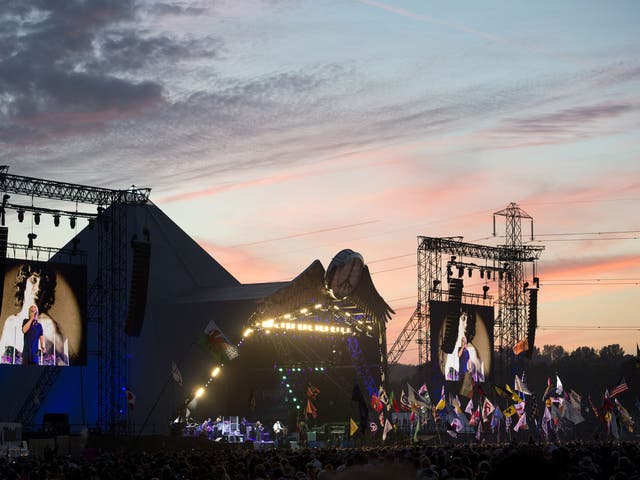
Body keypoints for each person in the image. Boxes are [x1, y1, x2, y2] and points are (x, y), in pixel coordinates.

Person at [0, 263, 67, 365]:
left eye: (43, 284)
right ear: (23, 282)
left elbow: (63, 363)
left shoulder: (49, 326)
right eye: (34, 280)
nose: (38, 288)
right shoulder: (10, 322)